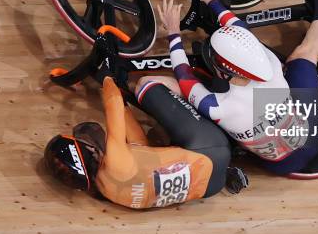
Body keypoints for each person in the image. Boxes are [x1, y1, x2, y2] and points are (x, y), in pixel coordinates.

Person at [135, 0, 318, 176]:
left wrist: (174, 32)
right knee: (306, 54)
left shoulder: (219, 106)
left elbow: (183, 75)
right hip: (307, 136)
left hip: (282, 160)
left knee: (171, 86)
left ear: (224, 71)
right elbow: (240, 29)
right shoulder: (270, 65)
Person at [44, 77, 247, 209]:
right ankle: (229, 104)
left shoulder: (107, 190)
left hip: (210, 187)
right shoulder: (115, 162)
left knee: (155, 134)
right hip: (210, 148)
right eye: (83, 140)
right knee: (146, 87)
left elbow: (141, 146)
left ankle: (230, 161)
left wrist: (125, 107)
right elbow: (112, 102)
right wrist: (107, 77)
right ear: (88, 150)